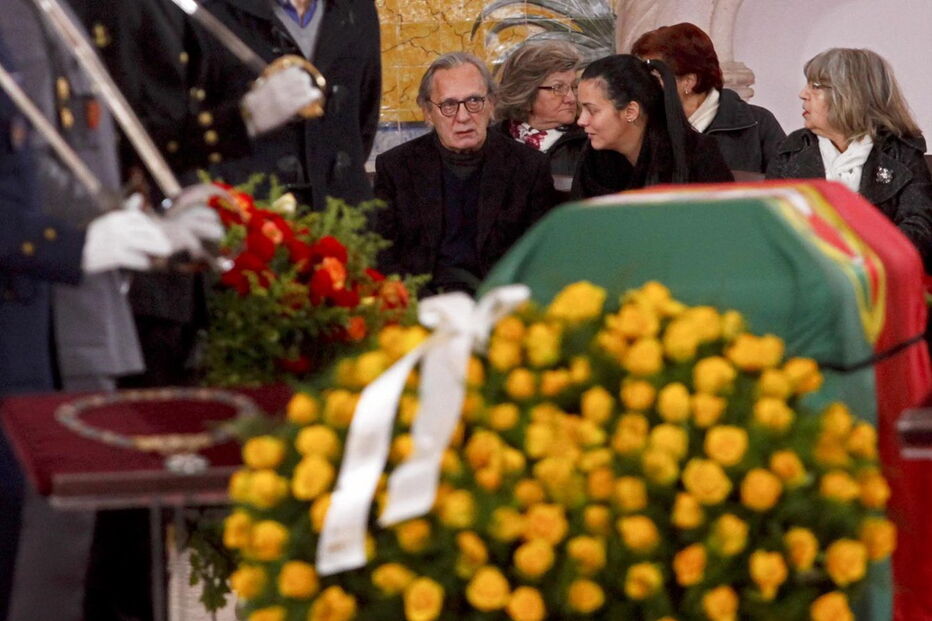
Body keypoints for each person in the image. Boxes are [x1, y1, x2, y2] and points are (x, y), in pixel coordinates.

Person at [373, 52, 557, 295]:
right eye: (448, 105)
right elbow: (382, 255)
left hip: (498, 301)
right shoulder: (396, 168)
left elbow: (543, 257)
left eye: (474, 101)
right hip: (421, 302)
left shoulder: (529, 167)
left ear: (491, 104)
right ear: (428, 112)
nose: (463, 117)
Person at [767, 48, 932, 273]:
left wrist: (858, 263)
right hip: (807, 278)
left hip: (879, 277)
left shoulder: (901, 151)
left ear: (850, 95)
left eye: (816, 86)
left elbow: (920, 229)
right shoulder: (791, 150)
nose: (803, 94)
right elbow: (770, 227)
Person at [571, 54, 733, 199]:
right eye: (581, 109)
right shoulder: (593, 160)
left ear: (630, 111)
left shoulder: (697, 155)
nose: (581, 121)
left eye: (592, 110)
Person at [631, 22, 785, 174]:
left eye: (654, 76)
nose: (642, 85)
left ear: (688, 82)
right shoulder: (641, 126)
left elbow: (787, 184)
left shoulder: (757, 124)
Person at [494, 41, 587, 178]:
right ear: (525, 93)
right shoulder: (490, 142)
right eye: (558, 88)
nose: (571, 98)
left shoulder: (590, 144)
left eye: (573, 87)